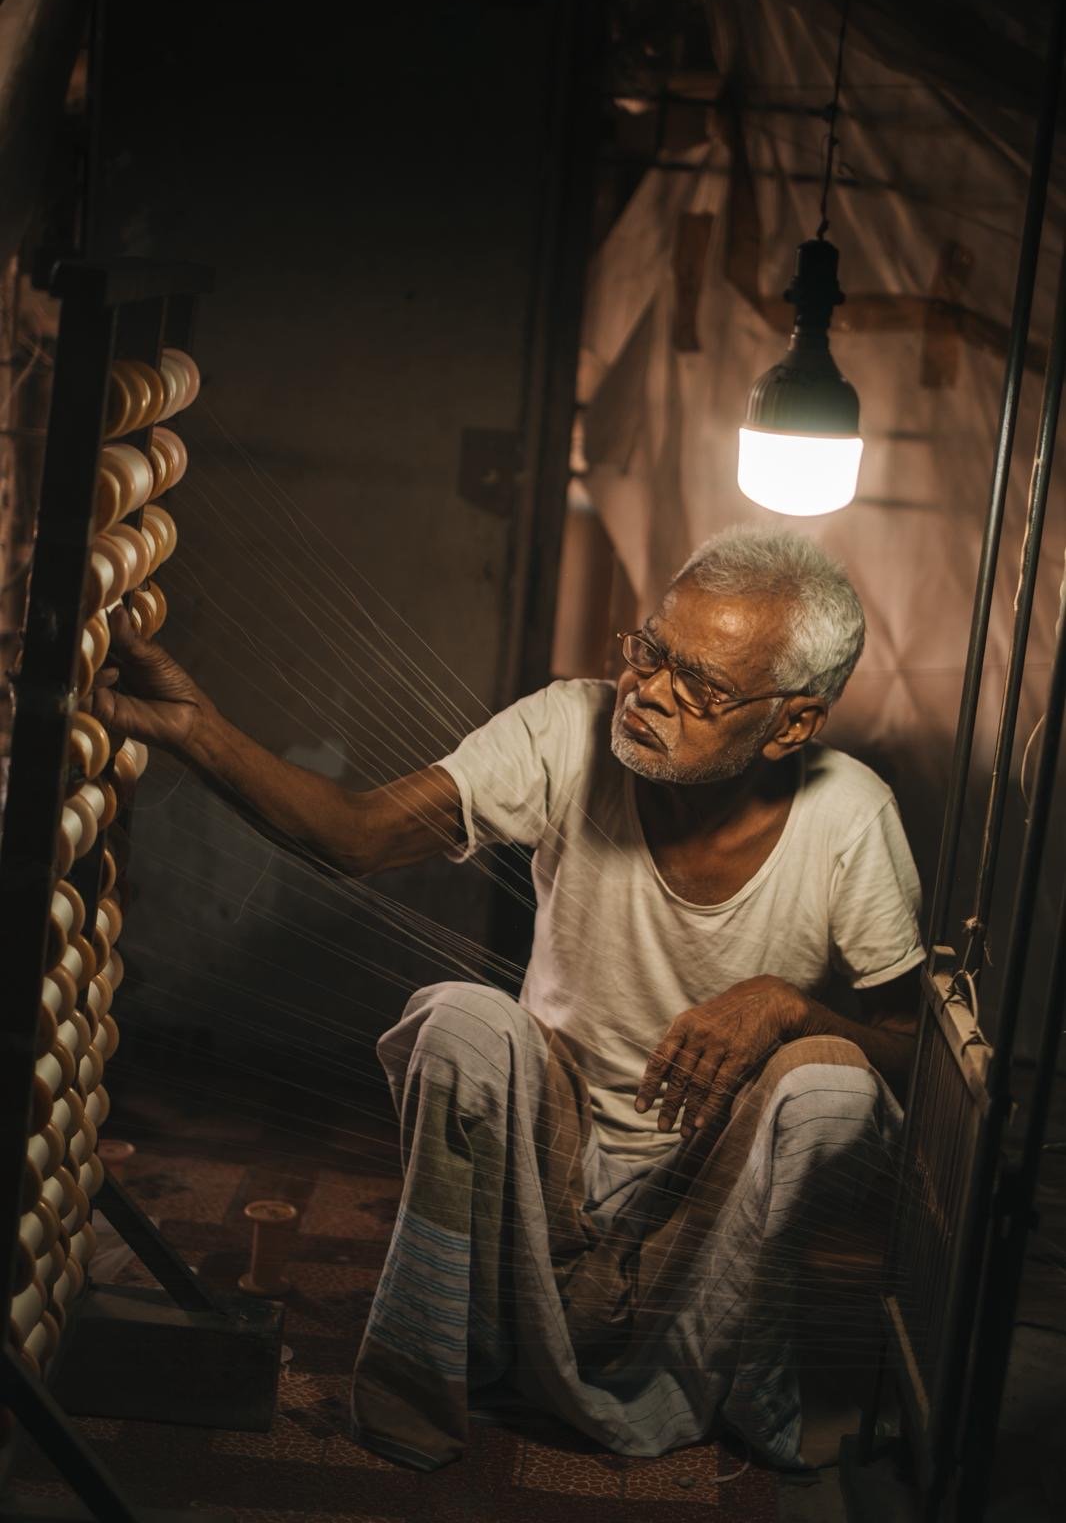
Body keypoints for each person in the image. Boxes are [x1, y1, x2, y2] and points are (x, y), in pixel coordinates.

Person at [93, 524, 924, 1472]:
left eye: (701, 685)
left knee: (832, 1088)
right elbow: (359, 834)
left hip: (711, 1190)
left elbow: (910, 1051)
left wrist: (785, 1006)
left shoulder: (850, 816)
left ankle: (741, 1382)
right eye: (651, 649)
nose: (650, 690)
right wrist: (196, 730)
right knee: (459, 1020)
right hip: (548, 1162)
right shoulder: (570, 728)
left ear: (791, 725)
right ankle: (425, 1381)